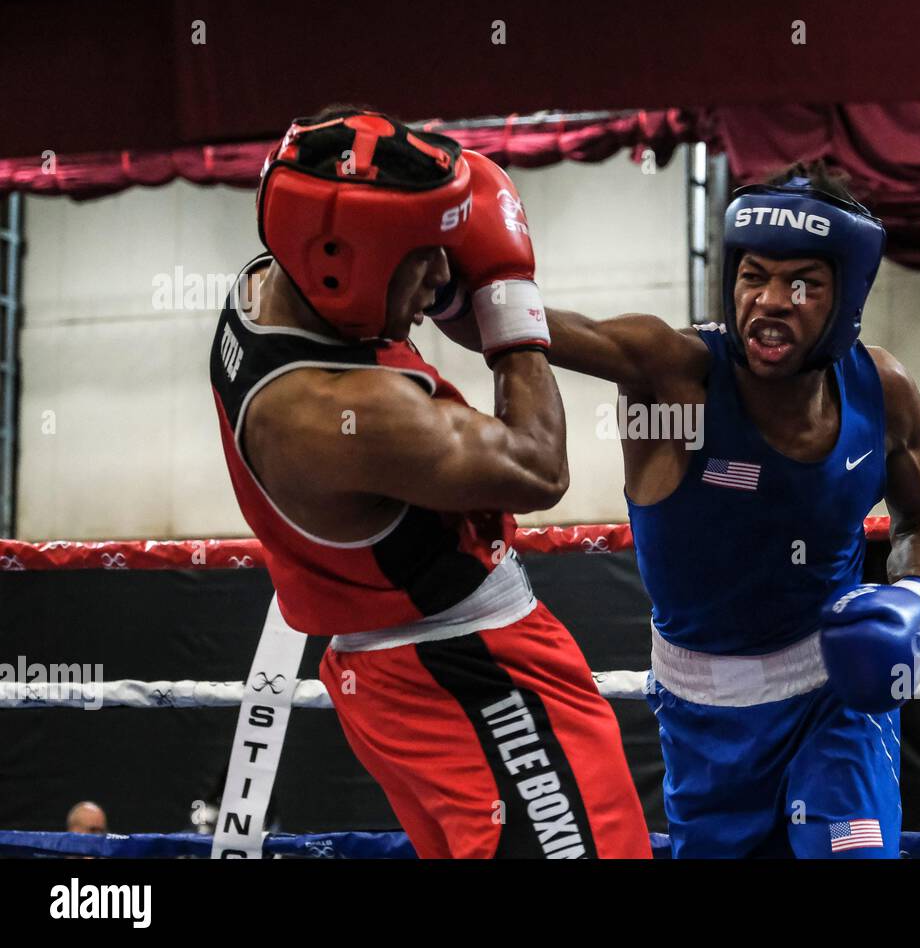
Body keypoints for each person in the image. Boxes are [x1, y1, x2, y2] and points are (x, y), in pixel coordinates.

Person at [441, 163, 920, 857]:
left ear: (847, 296)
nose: (771, 300)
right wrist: (444, 268)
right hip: (706, 721)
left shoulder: (882, 389)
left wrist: (917, 596)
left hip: (837, 699)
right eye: (754, 276)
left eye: (801, 282)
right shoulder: (673, 374)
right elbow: (510, 329)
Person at [209, 108, 650, 859]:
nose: (446, 277)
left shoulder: (272, 285)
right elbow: (538, 467)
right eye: (424, 259)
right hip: (471, 676)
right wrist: (509, 299)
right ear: (340, 265)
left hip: (400, 676)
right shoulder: (341, 410)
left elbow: (344, 149)